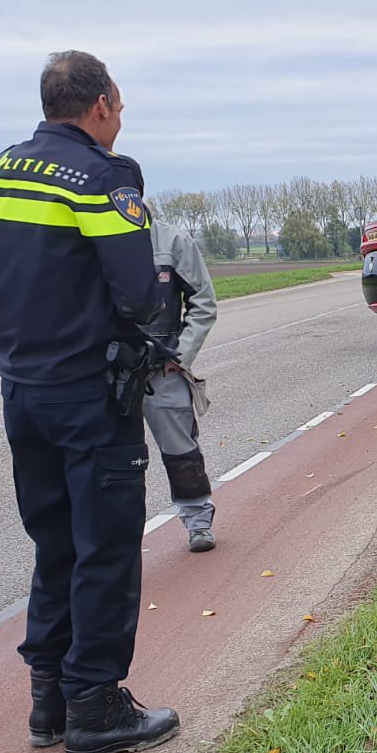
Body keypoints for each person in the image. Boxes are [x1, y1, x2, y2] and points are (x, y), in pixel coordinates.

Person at [0, 50, 180, 753]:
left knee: (54, 545)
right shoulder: (102, 177)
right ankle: (95, 709)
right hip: (91, 393)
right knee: (106, 545)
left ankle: (47, 700)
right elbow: (141, 292)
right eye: (122, 103)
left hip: (21, 393)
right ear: (103, 103)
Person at [143, 218, 218, 552]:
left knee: (181, 451)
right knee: (110, 460)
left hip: (162, 367)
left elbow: (203, 302)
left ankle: (199, 523)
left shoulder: (172, 241)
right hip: (106, 370)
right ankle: (112, 537)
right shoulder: (89, 237)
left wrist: (180, 357)